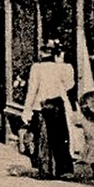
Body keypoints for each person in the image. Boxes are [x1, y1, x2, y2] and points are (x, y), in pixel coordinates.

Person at [22, 39, 76, 179]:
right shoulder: (63, 68)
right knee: (60, 137)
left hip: (40, 106)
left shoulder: (37, 68)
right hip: (58, 104)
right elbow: (69, 85)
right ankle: (63, 169)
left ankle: (46, 170)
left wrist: (26, 110)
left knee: (44, 138)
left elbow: (32, 90)